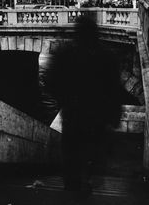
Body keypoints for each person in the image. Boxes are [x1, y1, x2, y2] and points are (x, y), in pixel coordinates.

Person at [45, 15, 122, 193]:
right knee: (92, 151)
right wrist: (114, 117)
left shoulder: (65, 54)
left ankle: (72, 187)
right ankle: (86, 182)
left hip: (73, 115)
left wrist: (64, 100)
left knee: (72, 153)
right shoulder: (107, 56)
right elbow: (114, 90)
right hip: (97, 117)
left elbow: (51, 82)